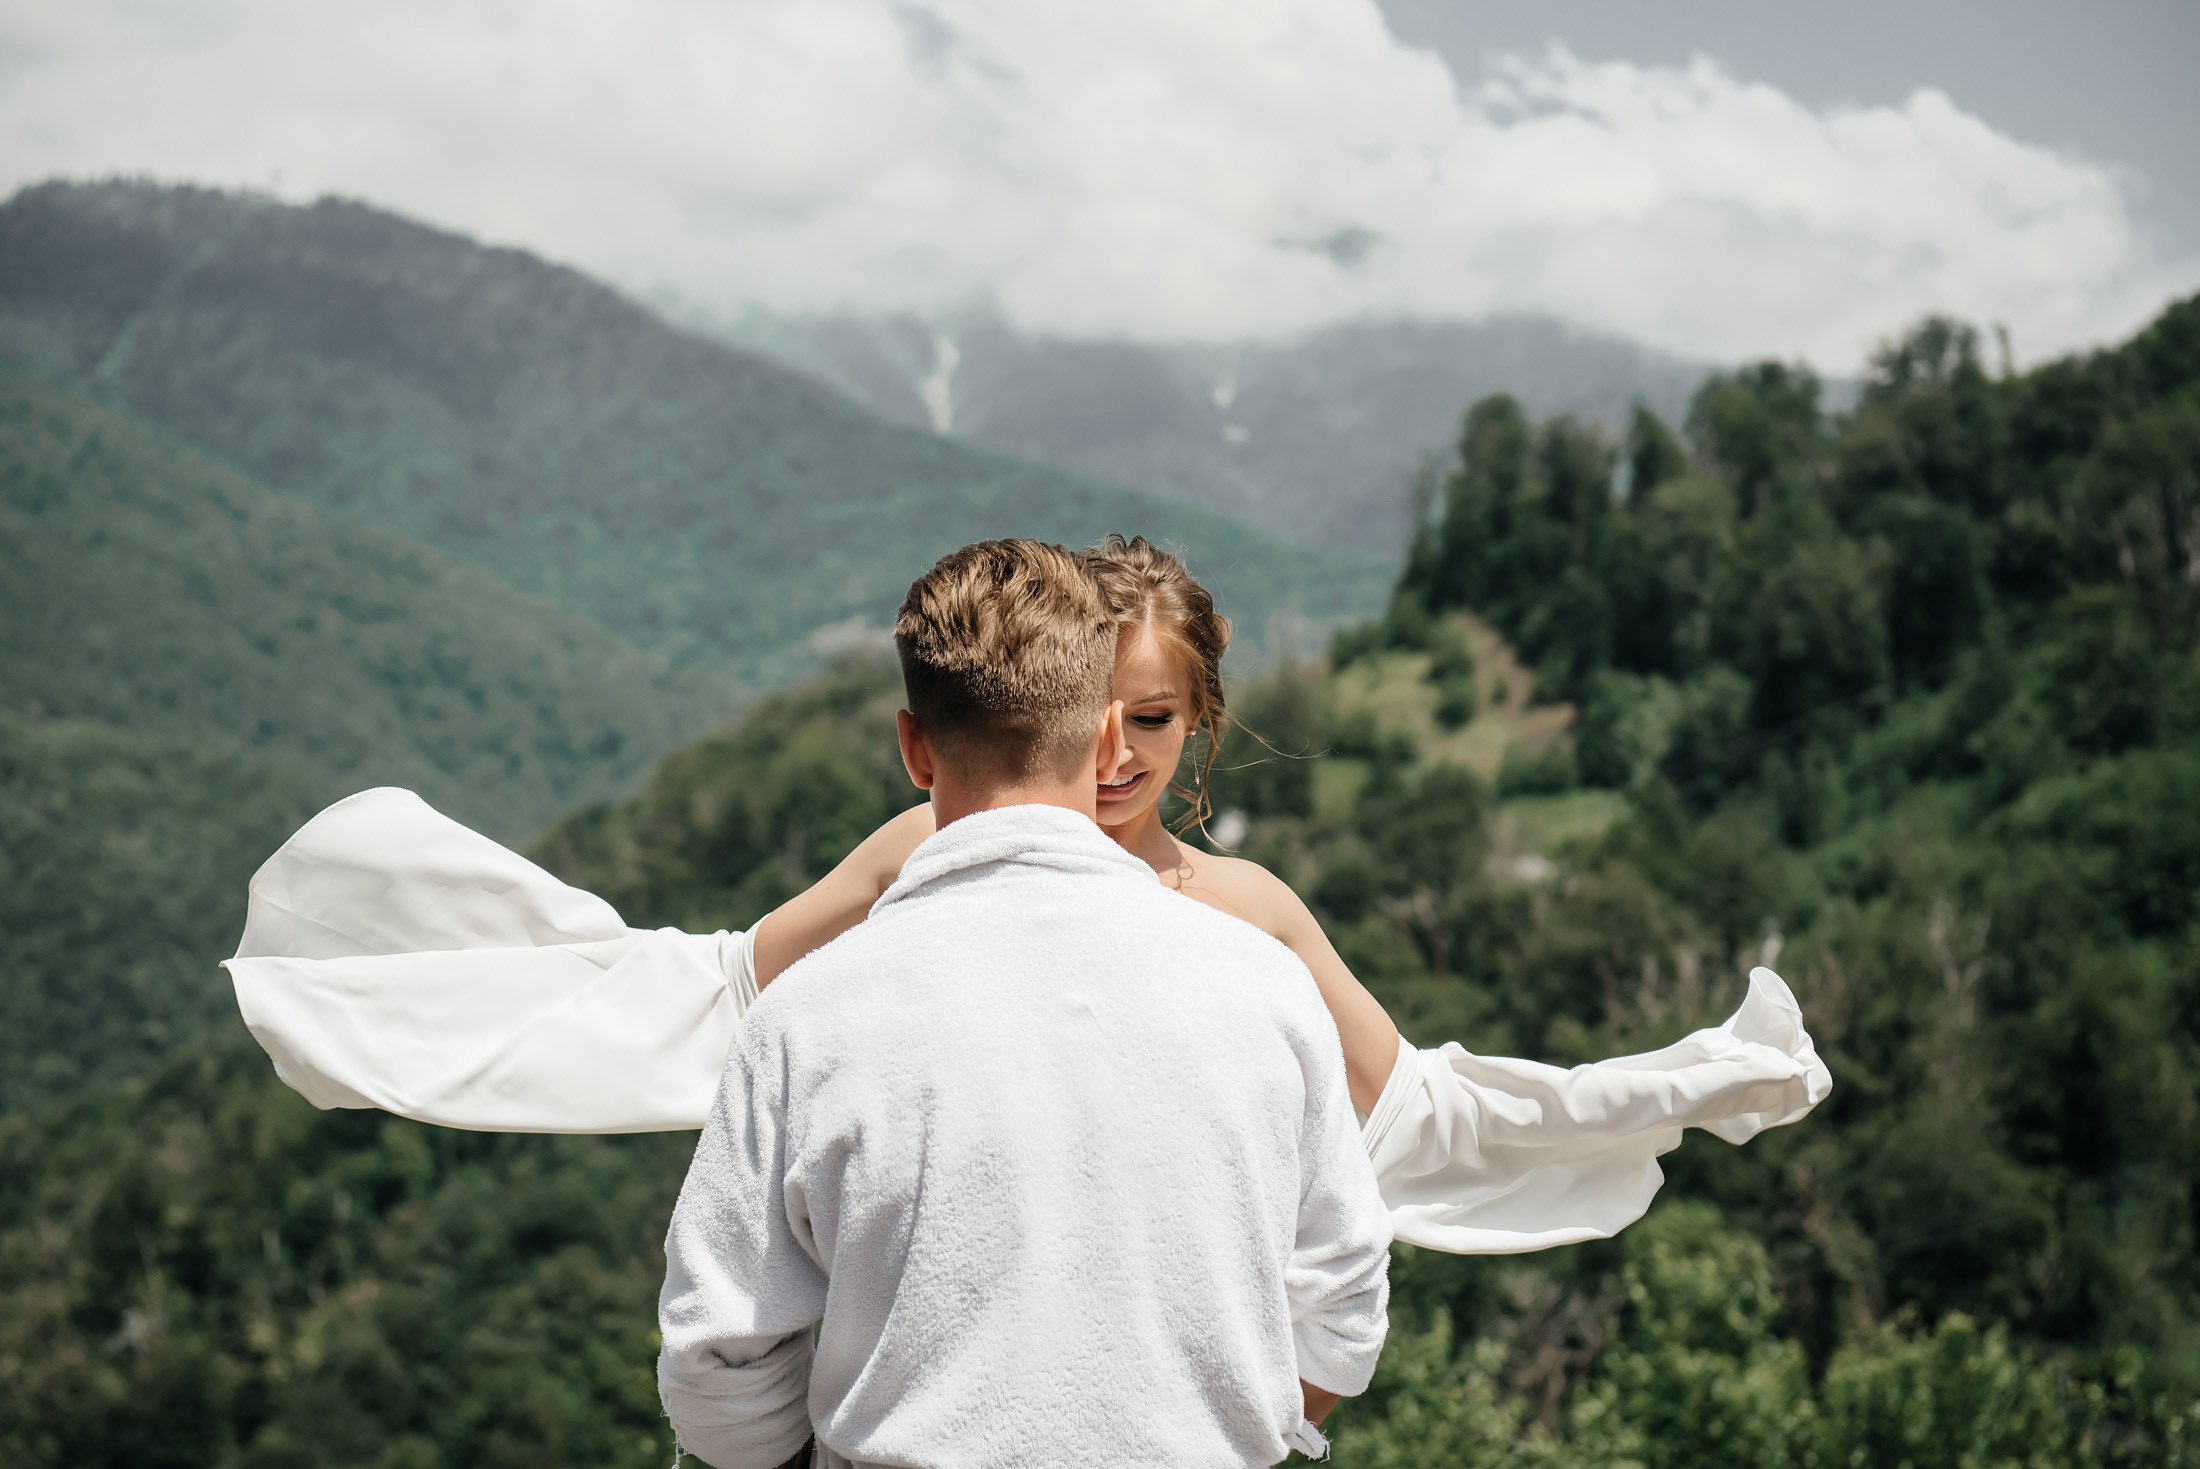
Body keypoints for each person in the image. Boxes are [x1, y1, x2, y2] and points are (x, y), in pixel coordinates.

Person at [224, 536, 1829, 1259]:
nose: (1117, 753)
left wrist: (1669, 1085)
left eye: (1155, 719)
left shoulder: (1248, 908)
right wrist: (422, 986)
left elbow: (1410, 1118)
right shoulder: (915, 852)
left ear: (1200, 724)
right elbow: (724, 999)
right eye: (1097, 712)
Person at [656, 538, 1391, 1467]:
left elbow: (718, 1358)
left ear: (915, 746)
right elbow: (1346, 1292)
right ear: (1101, 732)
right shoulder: (1266, 980)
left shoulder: (807, 1019)